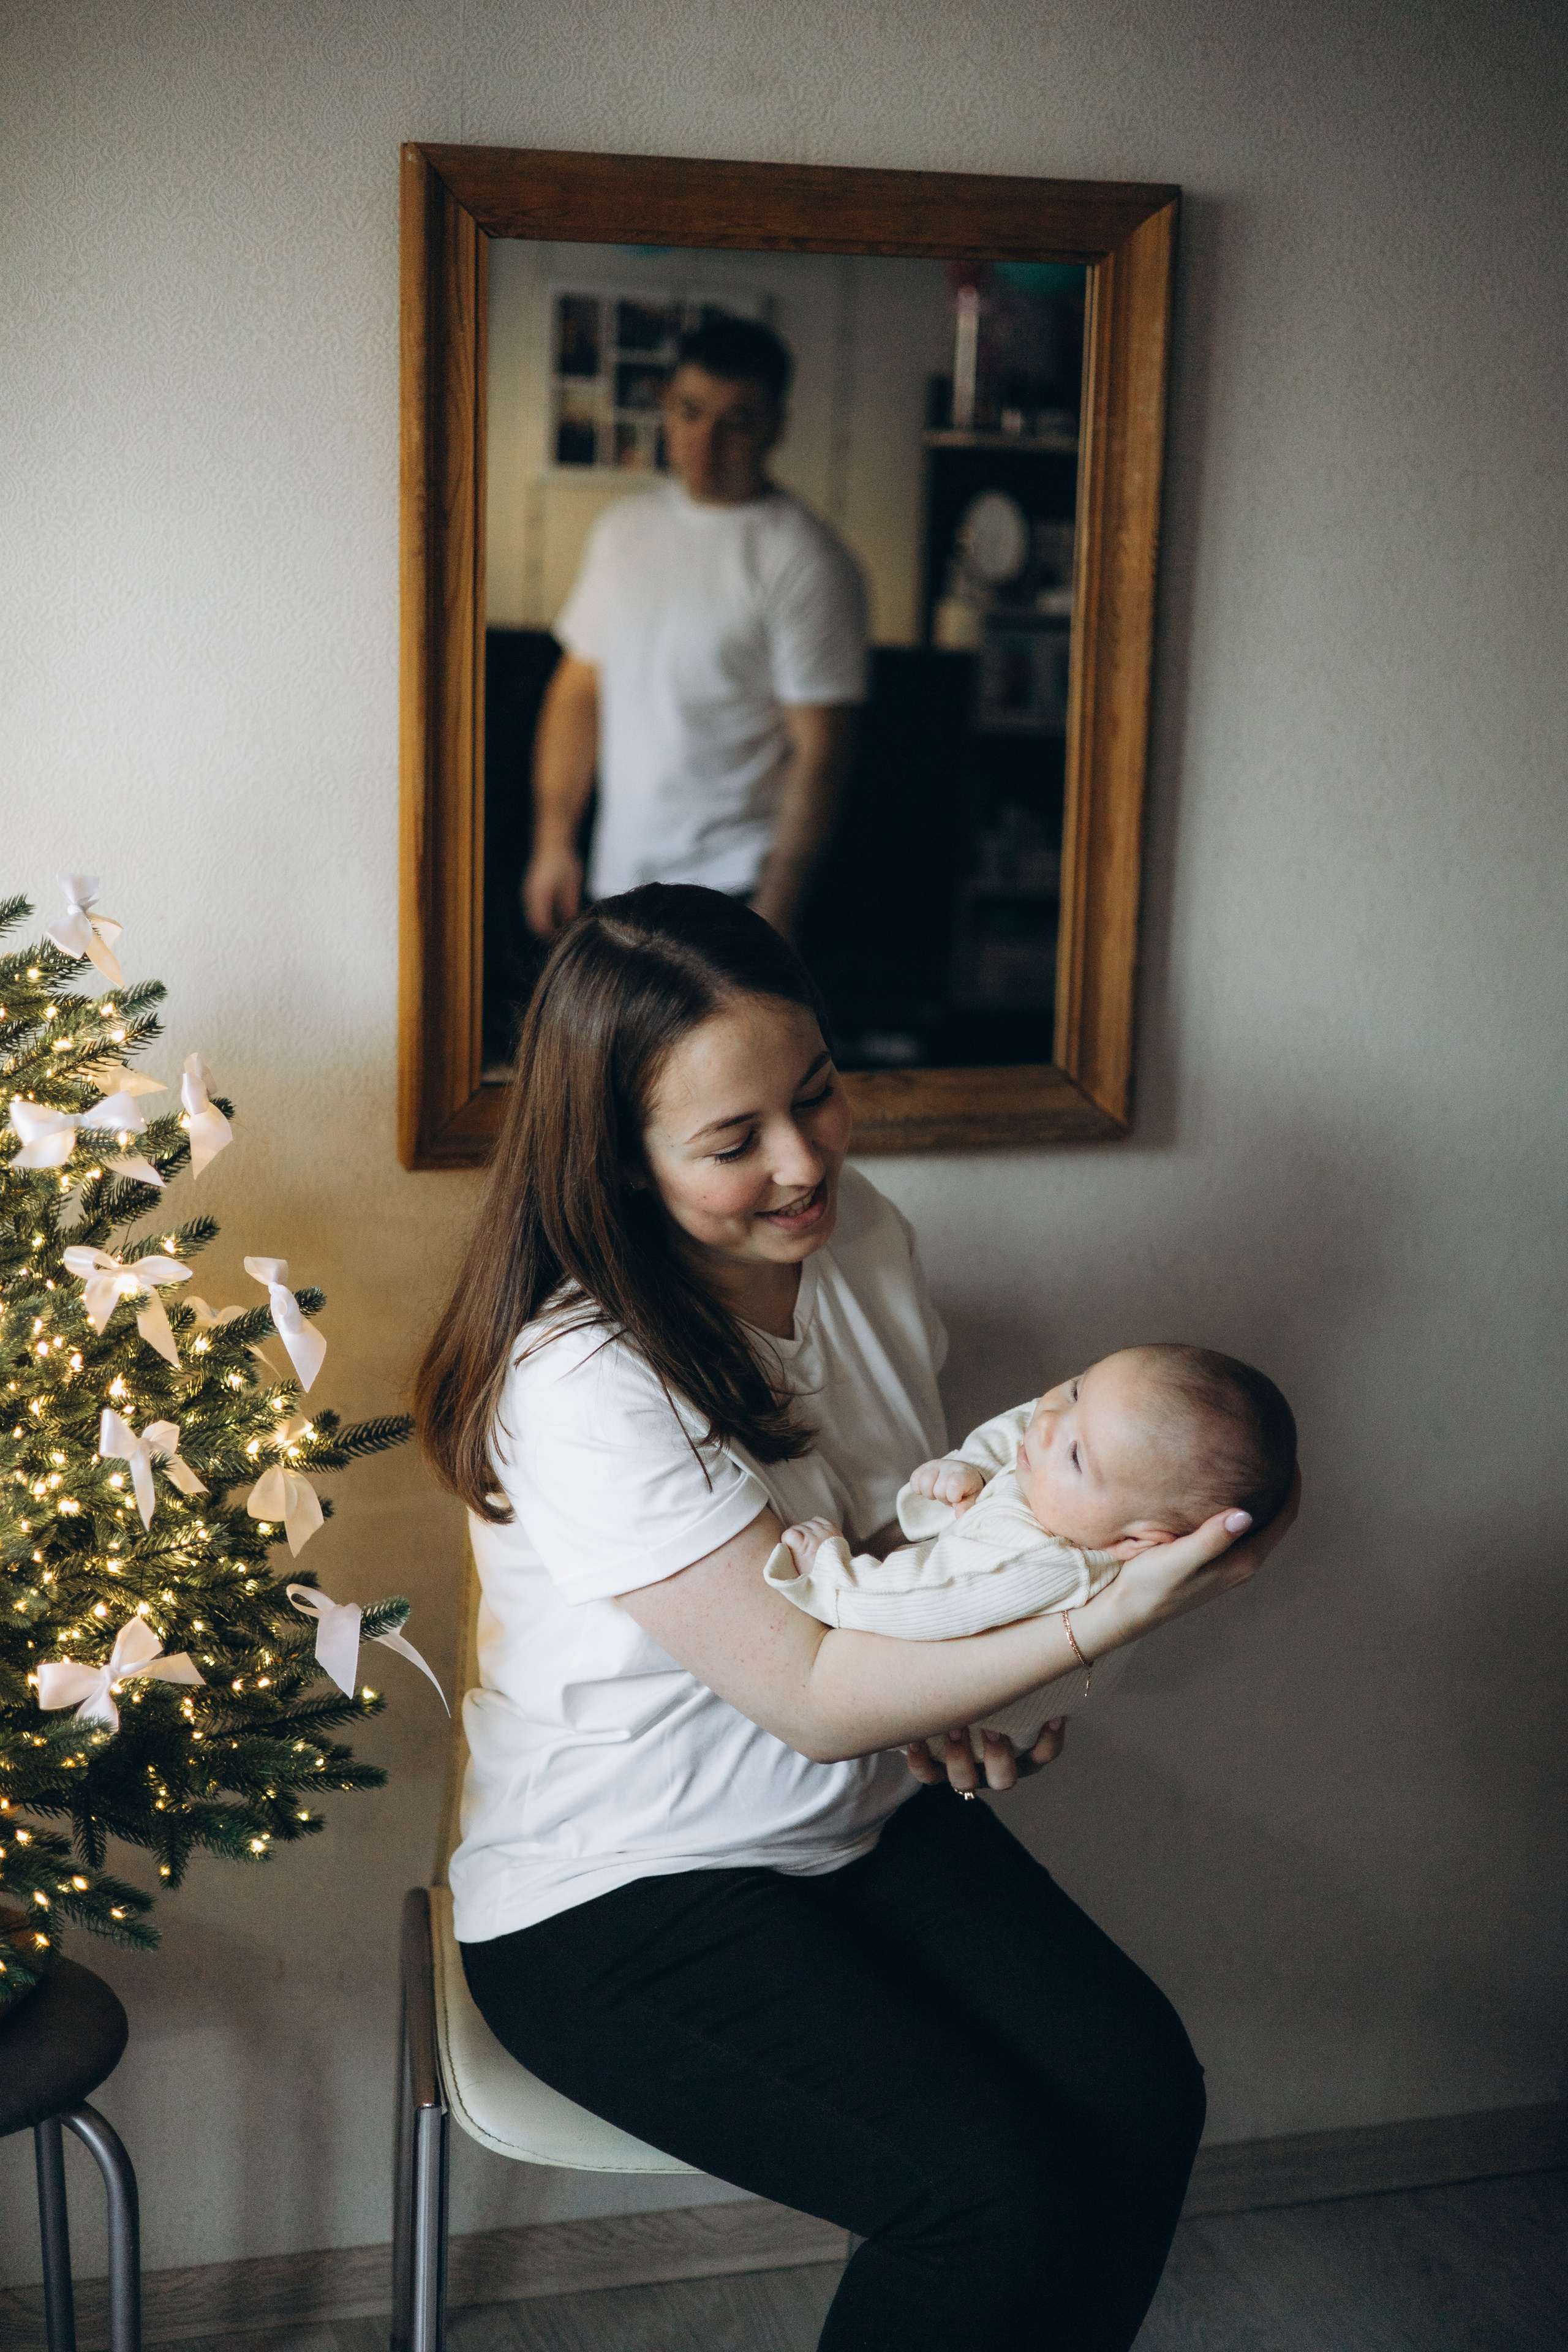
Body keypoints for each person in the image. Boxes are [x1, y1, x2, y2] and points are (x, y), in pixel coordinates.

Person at [415, 884, 1298, 2351]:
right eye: (730, 1140)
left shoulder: (865, 1238)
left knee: (1139, 2084)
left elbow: (912, 1550)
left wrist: (964, 1701)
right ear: (620, 1166)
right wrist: (1104, 1617)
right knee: (986, 2196)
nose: (802, 1158)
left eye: (815, 1092)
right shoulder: (583, 1383)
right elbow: (812, 1689)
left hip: (859, 1820)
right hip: (620, 1894)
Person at [766, 1344, 1298, 1755]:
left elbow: (913, 1602)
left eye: (1074, 1456)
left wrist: (829, 1571)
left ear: (1135, 1542)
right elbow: (1018, 1428)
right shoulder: (1072, 1471)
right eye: (1076, 1390)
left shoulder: (1038, 1561)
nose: (1045, 1423)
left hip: (963, 1726)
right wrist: (971, 1468)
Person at [521, 316, 867, 941]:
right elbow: (576, 694)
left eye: (734, 421)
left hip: (732, 885)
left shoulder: (805, 559)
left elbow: (821, 752)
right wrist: (553, 842)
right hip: (617, 878)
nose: (705, 441)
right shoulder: (622, 530)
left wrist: (779, 905)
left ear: (775, 429)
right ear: (666, 409)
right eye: (690, 411)